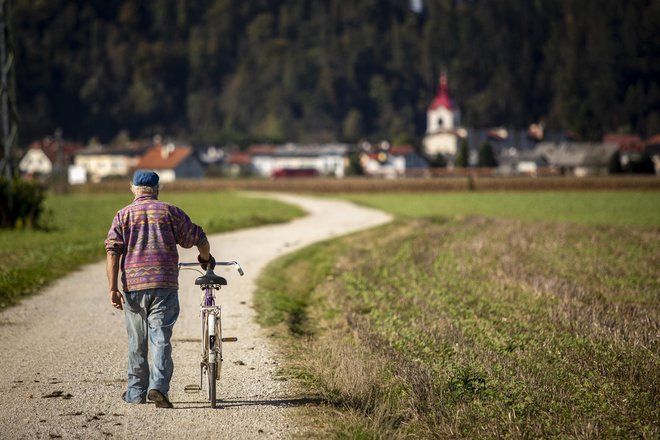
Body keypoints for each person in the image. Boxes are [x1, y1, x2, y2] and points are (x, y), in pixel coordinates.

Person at [105, 170, 214, 408]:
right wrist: (205, 259)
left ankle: (135, 393)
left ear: (132, 188)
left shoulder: (122, 215)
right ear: (157, 189)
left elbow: (112, 252)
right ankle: (158, 388)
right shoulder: (169, 211)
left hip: (133, 287)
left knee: (137, 340)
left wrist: (113, 288)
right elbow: (198, 237)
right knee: (160, 338)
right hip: (164, 284)